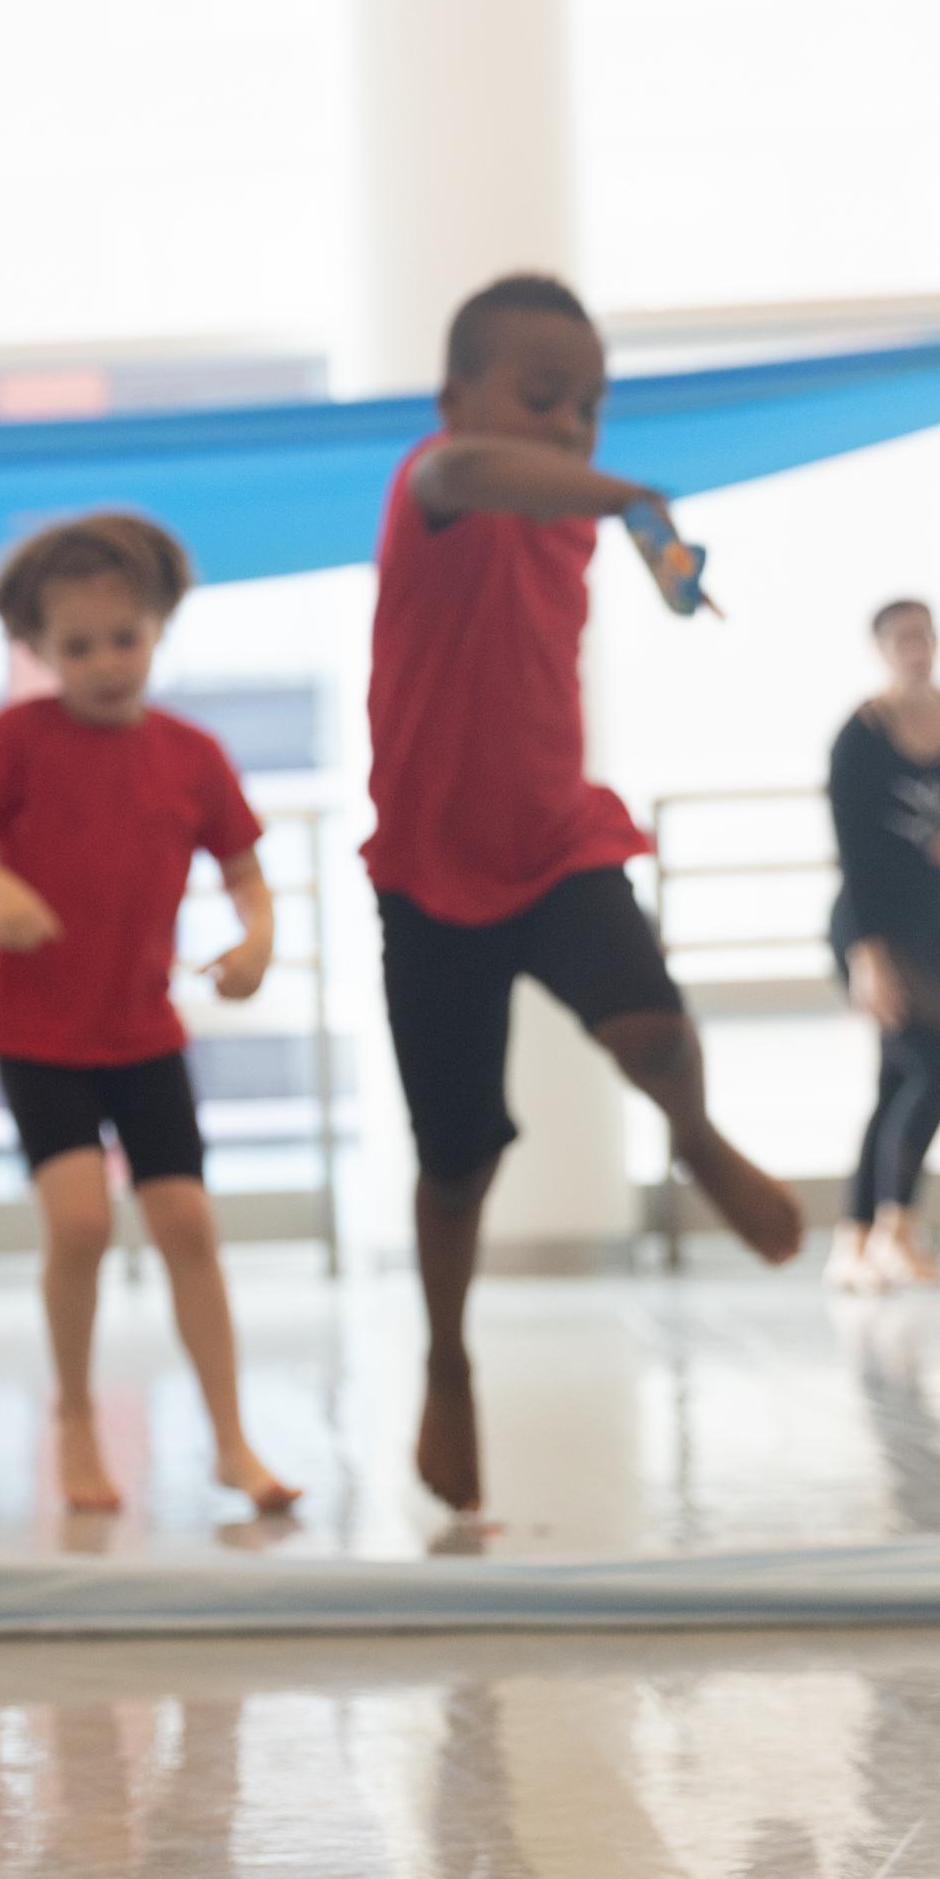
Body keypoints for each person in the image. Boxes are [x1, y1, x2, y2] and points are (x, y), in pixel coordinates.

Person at [367, 274, 803, 1515]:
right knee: (456, 1165)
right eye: (541, 396)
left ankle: (696, 1135)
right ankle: (448, 1357)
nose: (567, 425)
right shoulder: (432, 486)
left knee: (654, 1029)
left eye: (591, 409)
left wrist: (618, 509)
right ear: (457, 398)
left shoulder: (566, 519)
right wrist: (633, 496)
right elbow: (469, 475)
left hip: (554, 843)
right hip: (429, 871)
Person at [0, 514, 300, 1521]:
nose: (104, 663)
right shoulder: (18, 740)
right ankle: (77, 1418)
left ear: (158, 628)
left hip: (142, 1032)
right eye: (76, 647)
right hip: (40, 1034)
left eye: (123, 639)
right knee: (83, 1225)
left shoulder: (193, 755)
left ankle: (231, 1438)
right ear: (40, 652)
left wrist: (256, 942)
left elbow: (249, 877)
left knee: (188, 1221)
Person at [823, 600, 940, 1293]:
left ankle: (853, 1240)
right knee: (937, 1065)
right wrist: (865, 960)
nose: (915, 648)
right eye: (901, 638)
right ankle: (896, 1226)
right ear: (880, 648)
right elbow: (850, 856)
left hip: (933, 926)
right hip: (869, 927)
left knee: (895, 1081)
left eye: (923, 635)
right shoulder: (860, 736)